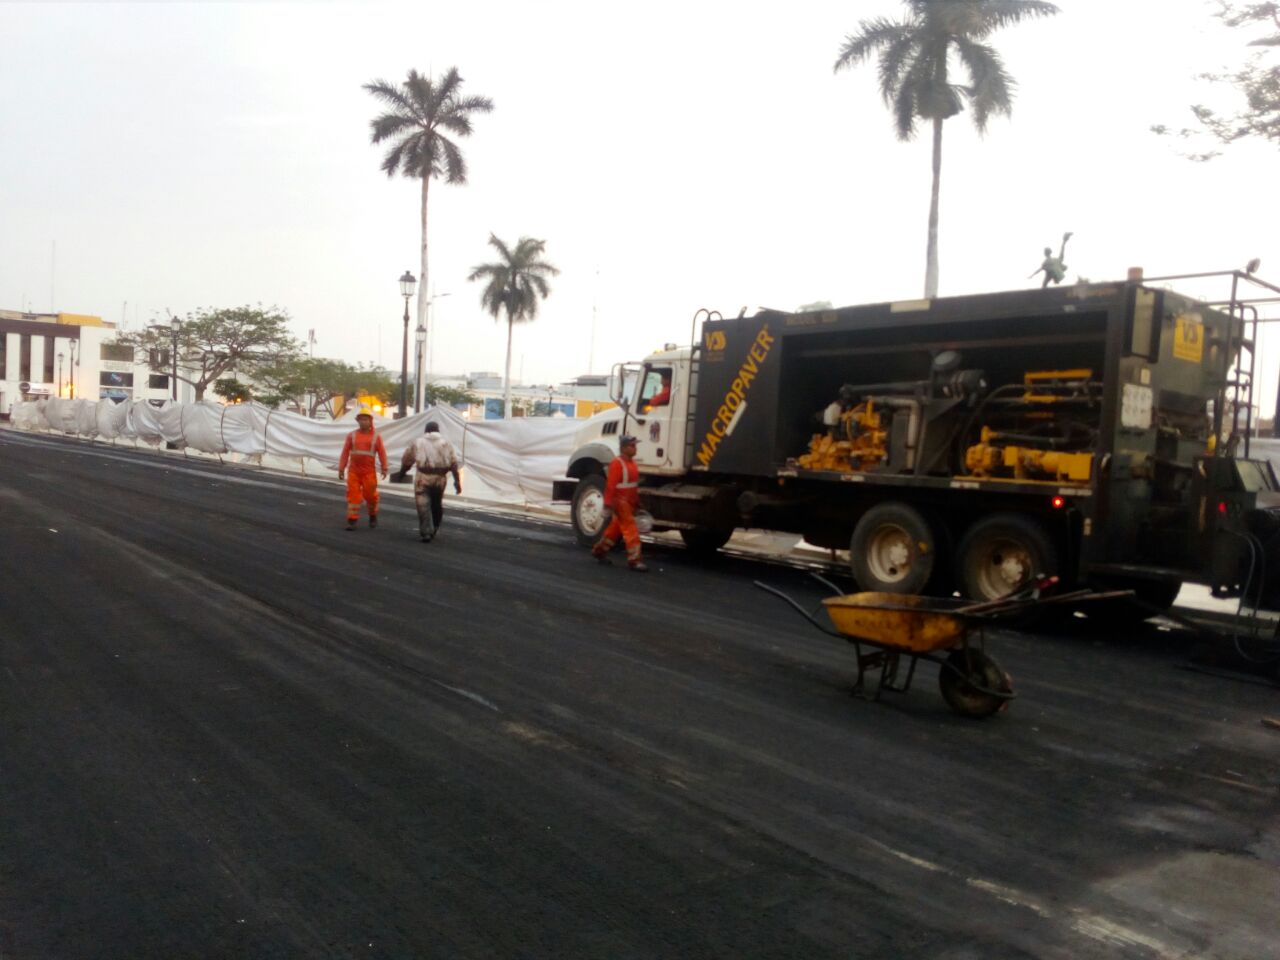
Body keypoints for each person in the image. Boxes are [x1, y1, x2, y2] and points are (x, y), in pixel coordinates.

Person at [591, 434, 648, 572]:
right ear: (623, 448)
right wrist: (608, 504)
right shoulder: (617, 463)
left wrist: (636, 502)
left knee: (614, 530)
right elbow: (611, 485)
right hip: (620, 502)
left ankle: (599, 551)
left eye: (635, 446)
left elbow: (633, 486)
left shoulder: (632, 464)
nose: (635, 449)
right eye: (632, 446)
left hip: (628, 502)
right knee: (631, 529)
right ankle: (634, 560)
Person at [400, 420, 461, 543]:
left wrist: (402, 473)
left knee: (423, 505)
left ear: (426, 431)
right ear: (438, 430)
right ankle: (436, 527)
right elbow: (454, 464)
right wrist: (457, 482)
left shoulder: (418, 442)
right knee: (437, 503)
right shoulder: (446, 443)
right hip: (440, 478)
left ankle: (426, 532)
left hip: (423, 477)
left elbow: (407, 459)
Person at [338, 408, 388, 530]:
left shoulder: (376, 437)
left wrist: (384, 468)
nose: (363, 422)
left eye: (365, 419)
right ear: (358, 421)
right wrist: (341, 468)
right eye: (361, 419)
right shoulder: (352, 436)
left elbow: (382, 453)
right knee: (353, 496)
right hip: (354, 471)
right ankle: (352, 520)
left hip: (369, 472)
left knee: (370, 496)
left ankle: (372, 516)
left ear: (370, 421)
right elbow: (345, 452)